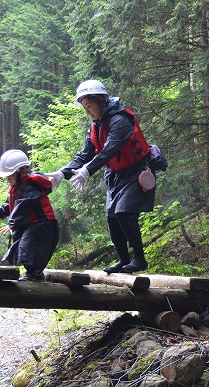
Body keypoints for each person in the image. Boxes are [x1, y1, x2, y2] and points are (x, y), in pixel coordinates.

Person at [47, 79, 155, 273]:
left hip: (137, 172)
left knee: (123, 212)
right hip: (115, 176)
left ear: (101, 101)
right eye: (84, 108)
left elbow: (109, 150)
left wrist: (87, 171)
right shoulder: (95, 126)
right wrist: (62, 172)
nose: (87, 112)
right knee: (112, 217)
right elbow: (86, 153)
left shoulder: (120, 120)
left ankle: (139, 259)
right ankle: (123, 260)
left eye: (89, 106)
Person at [0, 149, 60, 282]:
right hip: (30, 226)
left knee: (28, 249)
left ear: (23, 171)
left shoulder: (31, 187)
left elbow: (23, 207)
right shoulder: (17, 188)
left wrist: (11, 223)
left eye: (10, 175)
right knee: (21, 249)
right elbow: (9, 205)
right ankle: (33, 275)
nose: (8, 179)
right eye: (6, 176)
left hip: (42, 226)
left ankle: (34, 275)